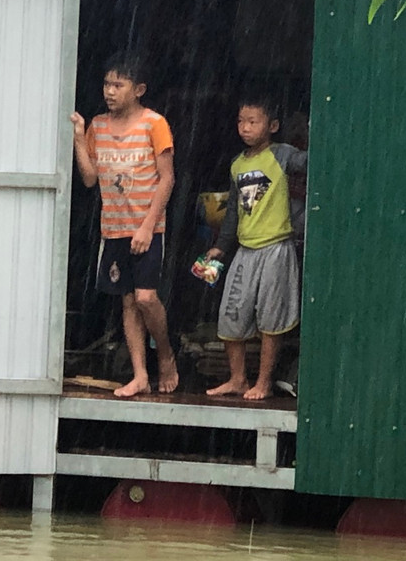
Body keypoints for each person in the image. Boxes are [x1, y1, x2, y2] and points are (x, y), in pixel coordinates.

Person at [70, 57, 178, 397]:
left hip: (147, 227)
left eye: (118, 85)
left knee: (146, 298)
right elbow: (90, 179)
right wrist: (79, 138)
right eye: (107, 84)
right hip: (114, 228)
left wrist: (147, 227)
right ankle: (140, 375)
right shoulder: (98, 126)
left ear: (139, 89)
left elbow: (167, 179)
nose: (110, 91)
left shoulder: (154, 124)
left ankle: (165, 354)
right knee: (128, 302)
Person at [204, 97, 307, 401]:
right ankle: (238, 379)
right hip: (245, 250)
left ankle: (263, 382)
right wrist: (221, 247)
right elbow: (233, 212)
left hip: (276, 248)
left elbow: (310, 162)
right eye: (241, 121)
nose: (245, 128)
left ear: (272, 126)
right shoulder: (237, 164)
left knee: (271, 321)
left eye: (253, 122)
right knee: (230, 314)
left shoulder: (282, 154)